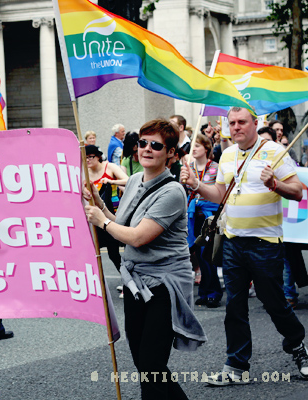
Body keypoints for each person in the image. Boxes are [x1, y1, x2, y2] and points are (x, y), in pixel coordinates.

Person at [180, 106, 308, 384]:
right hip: (233, 242)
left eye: (242, 122)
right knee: (234, 306)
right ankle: (236, 367)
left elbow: (298, 191)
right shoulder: (227, 154)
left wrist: (275, 184)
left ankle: (297, 345)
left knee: (274, 303)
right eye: (232, 123)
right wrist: (196, 185)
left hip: (265, 243)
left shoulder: (274, 151)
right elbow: (220, 193)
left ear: (254, 123)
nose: (236, 127)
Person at [85, 118, 206, 399]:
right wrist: (97, 201)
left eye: (156, 145)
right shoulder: (136, 180)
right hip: (137, 282)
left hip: (165, 285)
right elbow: (122, 226)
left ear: (171, 154)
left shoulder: (173, 191)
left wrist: (102, 221)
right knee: (143, 363)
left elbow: (138, 237)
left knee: (152, 363)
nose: (147, 149)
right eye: (142, 143)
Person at [185, 134, 222, 308]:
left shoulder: (215, 167)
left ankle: (214, 292)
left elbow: (218, 191)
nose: (194, 148)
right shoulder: (188, 167)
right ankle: (205, 292)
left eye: (198, 145)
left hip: (209, 215)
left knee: (208, 254)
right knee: (198, 255)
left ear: (206, 148)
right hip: (194, 216)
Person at [86, 145, 128, 273]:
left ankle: (128, 282)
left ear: (98, 156)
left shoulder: (109, 167)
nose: (87, 160)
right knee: (95, 254)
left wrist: (111, 182)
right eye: (85, 158)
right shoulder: (85, 172)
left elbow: (128, 180)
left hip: (113, 211)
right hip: (96, 215)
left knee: (115, 252)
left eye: (90, 157)